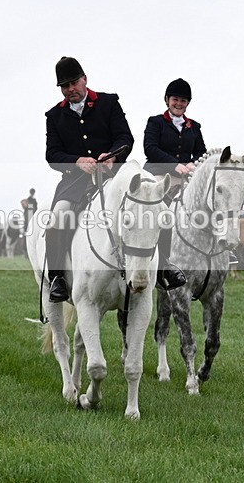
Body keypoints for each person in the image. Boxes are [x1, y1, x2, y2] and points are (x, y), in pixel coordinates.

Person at [44, 56, 134, 302]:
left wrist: (112, 157)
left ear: (85, 79)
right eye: (65, 86)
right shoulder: (54, 116)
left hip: (113, 174)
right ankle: (57, 279)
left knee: (150, 205)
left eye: (74, 83)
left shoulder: (109, 103)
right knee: (58, 217)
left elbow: (126, 138)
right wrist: (77, 162)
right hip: (76, 181)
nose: (70, 89)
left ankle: (162, 268)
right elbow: (52, 155)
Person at [143, 78, 207, 289]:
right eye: (175, 99)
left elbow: (200, 152)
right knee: (159, 210)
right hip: (159, 174)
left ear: (187, 103)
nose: (179, 103)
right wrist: (174, 165)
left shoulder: (194, 127)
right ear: (167, 100)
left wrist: (192, 164)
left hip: (185, 176)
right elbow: (150, 148)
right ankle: (160, 262)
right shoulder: (155, 122)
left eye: (183, 100)